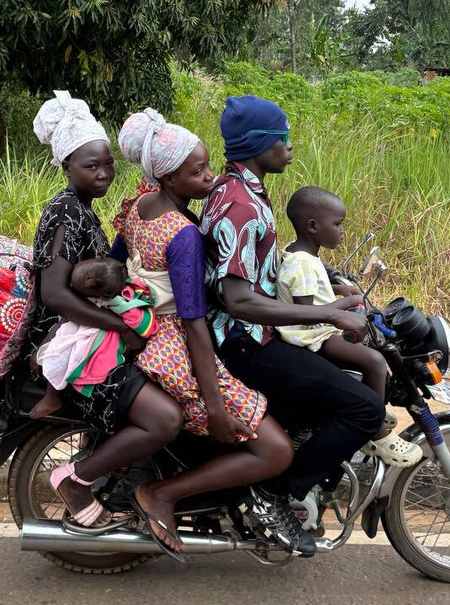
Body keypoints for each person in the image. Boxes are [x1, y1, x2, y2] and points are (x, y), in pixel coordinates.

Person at [199, 95, 386, 558]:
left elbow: (261, 272)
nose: (289, 148)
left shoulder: (243, 192)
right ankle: (276, 493)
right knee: (363, 408)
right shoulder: (241, 206)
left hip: (256, 335)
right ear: (259, 144)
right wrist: (329, 313)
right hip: (245, 344)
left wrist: (331, 286)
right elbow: (238, 299)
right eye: (281, 139)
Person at [112, 108, 294, 557]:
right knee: (276, 451)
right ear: (168, 178)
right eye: (198, 172)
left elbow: (118, 260)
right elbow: (194, 322)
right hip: (174, 345)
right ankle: (162, 494)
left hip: (146, 333)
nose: (212, 178)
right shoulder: (183, 234)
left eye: (210, 166)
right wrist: (213, 406)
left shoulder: (138, 207)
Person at [28, 91, 184, 547]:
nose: (103, 174)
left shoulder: (85, 209)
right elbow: (53, 293)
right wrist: (119, 326)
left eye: (108, 164)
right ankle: (76, 481)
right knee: (165, 419)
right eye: (90, 166)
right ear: (67, 167)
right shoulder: (64, 212)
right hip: (70, 339)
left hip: (92, 330)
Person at [277, 185, 423, 467]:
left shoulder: (300, 254)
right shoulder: (303, 264)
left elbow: (310, 289)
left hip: (315, 329)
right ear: (313, 226)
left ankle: (371, 410)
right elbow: (305, 312)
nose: (342, 230)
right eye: (338, 224)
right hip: (311, 336)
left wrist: (339, 290)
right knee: (374, 361)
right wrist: (346, 305)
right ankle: (375, 431)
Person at [31, 257, 158, 419]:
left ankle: (52, 397)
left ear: (91, 285)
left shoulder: (119, 302)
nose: (71, 288)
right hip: (88, 321)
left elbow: (141, 323)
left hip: (98, 330)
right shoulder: (106, 279)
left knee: (62, 354)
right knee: (58, 347)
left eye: (75, 287)